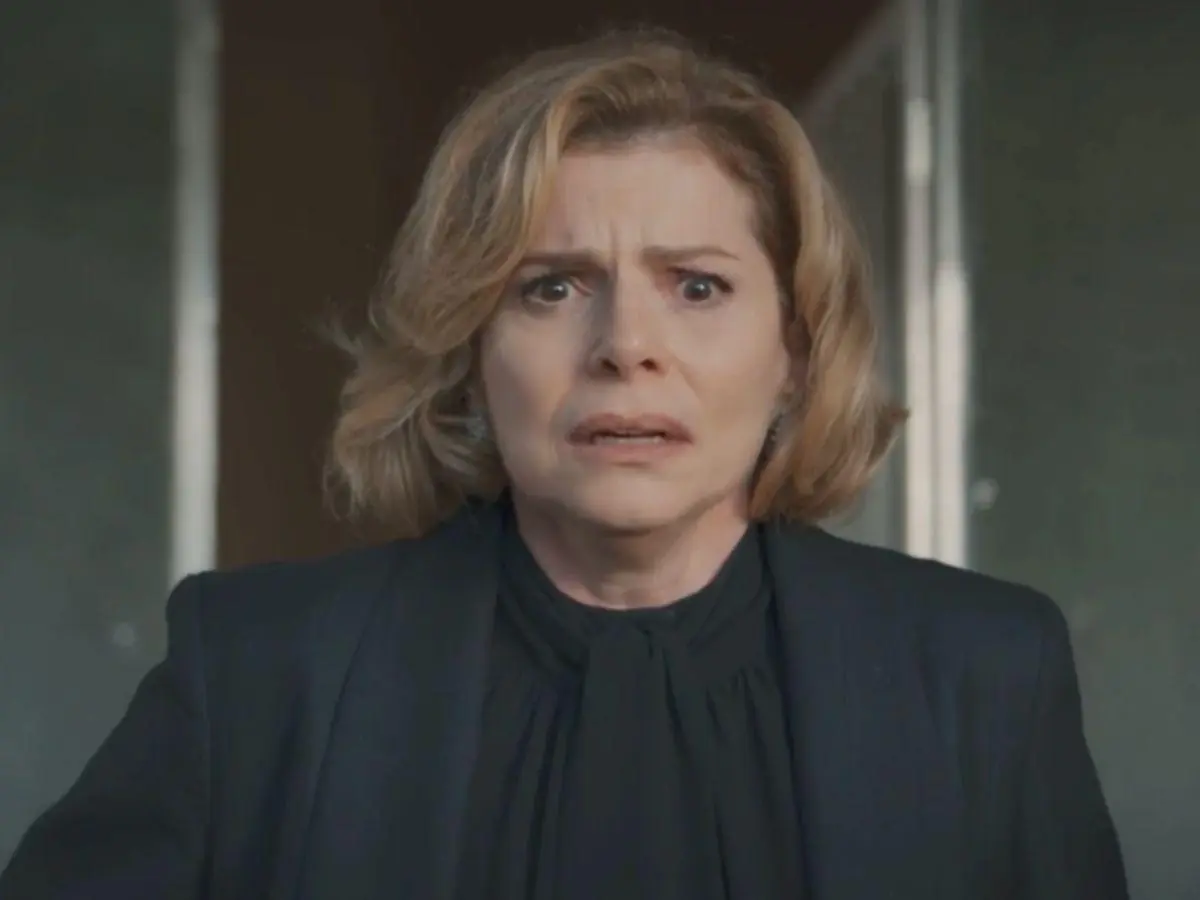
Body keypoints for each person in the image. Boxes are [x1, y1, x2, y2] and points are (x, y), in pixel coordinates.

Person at [1, 28, 1126, 900]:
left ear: (795, 348)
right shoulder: (254, 671)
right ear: (470, 350)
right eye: (551, 287)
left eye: (697, 286)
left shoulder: (985, 673)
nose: (626, 345)